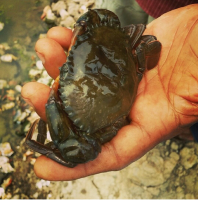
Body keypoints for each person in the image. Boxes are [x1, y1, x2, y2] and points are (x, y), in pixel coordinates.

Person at [21, 4, 198, 181]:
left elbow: (76, 150)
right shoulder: (132, 45)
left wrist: (54, 102)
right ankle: (187, 132)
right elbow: (150, 43)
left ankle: (189, 132)